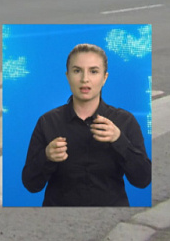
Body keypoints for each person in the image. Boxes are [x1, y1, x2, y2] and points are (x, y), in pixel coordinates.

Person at [21, 43, 151, 206]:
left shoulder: (124, 121)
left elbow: (143, 179)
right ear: (67, 76)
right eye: (77, 71)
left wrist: (119, 140)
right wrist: (46, 157)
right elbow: (30, 185)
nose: (85, 79)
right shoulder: (48, 122)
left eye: (94, 71)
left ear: (104, 78)